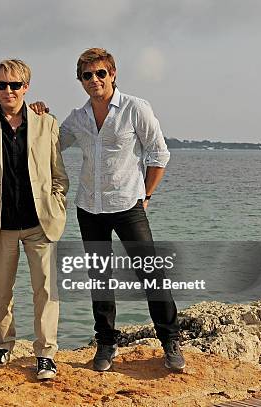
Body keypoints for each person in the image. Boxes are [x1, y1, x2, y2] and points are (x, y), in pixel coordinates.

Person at [56, 48, 185, 372]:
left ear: (113, 74)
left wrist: (147, 195)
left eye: (101, 73)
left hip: (129, 205)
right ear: (81, 80)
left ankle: (170, 341)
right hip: (89, 207)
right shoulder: (78, 118)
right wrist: (39, 116)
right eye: (88, 75)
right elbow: (51, 144)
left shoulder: (135, 108)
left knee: (151, 275)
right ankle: (106, 344)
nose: (95, 80)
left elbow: (159, 154)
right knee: (100, 278)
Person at [0, 59, 69, 380]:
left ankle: (46, 354)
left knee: (46, 291)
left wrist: (57, 206)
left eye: (14, 85)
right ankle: (2, 346)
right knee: (0, 292)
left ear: (26, 87)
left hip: (41, 223)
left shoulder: (45, 122)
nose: (7, 91)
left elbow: (58, 175)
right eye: (1, 85)